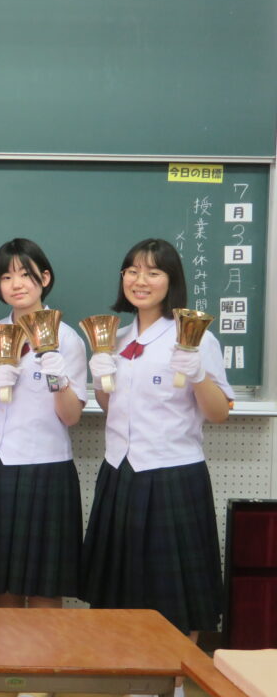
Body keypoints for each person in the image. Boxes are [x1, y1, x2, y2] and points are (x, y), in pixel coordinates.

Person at [81, 238, 232, 697]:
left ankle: (175, 682)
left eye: (152, 272)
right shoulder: (118, 338)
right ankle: (134, 678)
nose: (140, 280)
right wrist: (101, 376)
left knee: (177, 589)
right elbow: (111, 406)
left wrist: (198, 372)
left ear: (171, 281)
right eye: (132, 271)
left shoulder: (196, 336)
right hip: (120, 471)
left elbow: (219, 412)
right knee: (123, 585)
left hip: (171, 474)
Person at [0, 238, 87, 610]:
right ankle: (4, 652)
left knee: (44, 587)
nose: (16, 284)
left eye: (25, 274)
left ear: (45, 278)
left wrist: (57, 377)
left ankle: (41, 651)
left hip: (45, 467)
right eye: (6, 277)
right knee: (2, 585)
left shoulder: (68, 339)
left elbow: (70, 416)